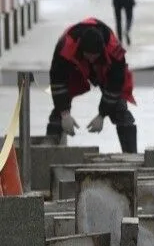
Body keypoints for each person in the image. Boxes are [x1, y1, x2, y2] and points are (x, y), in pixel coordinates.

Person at [48, 18, 138, 153]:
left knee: (120, 108)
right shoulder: (65, 47)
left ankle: (131, 155)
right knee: (59, 110)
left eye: (94, 56)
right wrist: (64, 113)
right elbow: (57, 82)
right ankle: (49, 152)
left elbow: (115, 86)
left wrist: (102, 114)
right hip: (75, 68)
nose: (91, 59)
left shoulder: (114, 50)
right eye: (88, 56)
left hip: (103, 69)